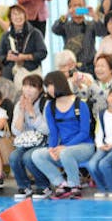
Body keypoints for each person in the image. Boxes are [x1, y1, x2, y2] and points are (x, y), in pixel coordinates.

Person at [31, 71, 95, 200]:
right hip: (63, 148)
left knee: (66, 153)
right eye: (46, 86)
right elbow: (53, 132)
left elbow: (84, 132)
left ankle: (75, 186)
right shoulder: (51, 107)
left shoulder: (80, 104)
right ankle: (61, 184)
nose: (48, 89)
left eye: (50, 85)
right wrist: (52, 148)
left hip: (84, 146)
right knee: (37, 155)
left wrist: (64, 147)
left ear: (59, 84)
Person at [10, 74, 50, 200]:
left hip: (44, 141)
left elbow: (47, 130)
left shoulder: (46, 103)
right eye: (25, 86)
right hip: (26, 142)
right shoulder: (18, 105)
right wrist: (22, 111)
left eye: (32, 86)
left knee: (29, 157)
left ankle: (43, 186)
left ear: (40, 90)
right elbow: (16, 131)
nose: (27, 89)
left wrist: (32, 112)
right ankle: (24, 186)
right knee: (14, 156)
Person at [51, 0, 107, 76]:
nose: (77, 8)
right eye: (74, 6)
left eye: (80, 5)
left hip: (90, 66)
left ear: (84, 7)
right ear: (69, 8)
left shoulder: (91, 24)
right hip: (70, 67)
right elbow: (55, 29)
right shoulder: (65, 25)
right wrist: (66, 15)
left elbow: (102, 32)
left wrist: (94, 15)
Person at [0, 4, 47, 88]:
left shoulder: (35, 33)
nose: (17, 17)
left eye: (20, 13)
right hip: (10, 73)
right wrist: (7, 58)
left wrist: (25, 57)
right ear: (10, 18)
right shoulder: (5, 36)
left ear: (25, 15)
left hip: (30, 71)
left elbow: (43, 53)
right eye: (14, 14)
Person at [76, 53, 112, 117]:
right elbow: (83, 96)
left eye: (102, 66)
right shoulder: (96, 83)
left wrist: (91, 85)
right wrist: (77, 85)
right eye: (97, 66)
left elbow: (108, 98)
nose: (98, 69)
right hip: (98, 120)